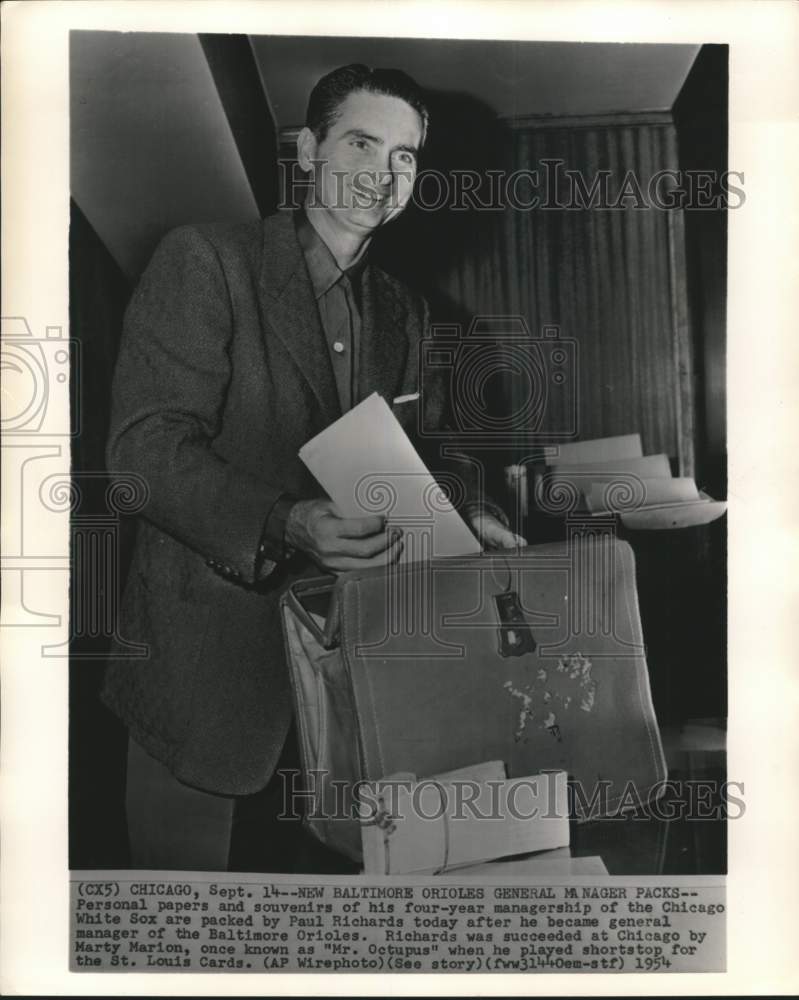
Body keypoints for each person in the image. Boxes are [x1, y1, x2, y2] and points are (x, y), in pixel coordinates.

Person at [102, 64, 523, 873]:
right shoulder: (206, 260)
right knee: (196, 917)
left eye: (403, 157)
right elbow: (143, 451)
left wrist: (469, 511)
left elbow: (427, 452)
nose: (382, 174)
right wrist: (286, 521)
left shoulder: (407, 311)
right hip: (210, 678)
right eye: (361, 144)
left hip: (354, 686)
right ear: (306, 151)